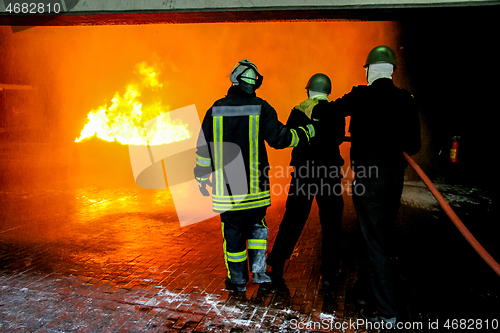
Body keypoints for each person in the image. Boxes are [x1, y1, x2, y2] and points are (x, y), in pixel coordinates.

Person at [312, 46, 421, 324]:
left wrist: (317, 102)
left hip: (368, 180)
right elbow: (414, 145)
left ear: (369, 70)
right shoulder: (405, 99)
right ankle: (363, 292)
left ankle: (387, 312)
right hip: (394, 180)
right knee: (378, 235)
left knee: (375, 242)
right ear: (392, 70)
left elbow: (329, 111)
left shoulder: (360, 95)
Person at [194, 59, 315, 293]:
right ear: (255, 83)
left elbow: (204, 148)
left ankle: (238, 281)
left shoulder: (215, 109)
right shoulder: (261, 107)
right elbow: (281, 139)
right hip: (255, 188)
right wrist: (307, 132)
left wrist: (201, 176)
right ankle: (259, 272)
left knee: (233, 235)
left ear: (234, 80)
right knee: (257, 228)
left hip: (227, 190)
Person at [267, 73, 345, 287]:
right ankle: (330, 272)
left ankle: (277, 263)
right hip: (329, 174)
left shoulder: (298, 110)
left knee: (294, 218)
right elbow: (338, 137)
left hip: (304, 173)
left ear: (308, 90)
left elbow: (291, 136)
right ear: (328, 91)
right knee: (331, 222)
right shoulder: (336, 111)